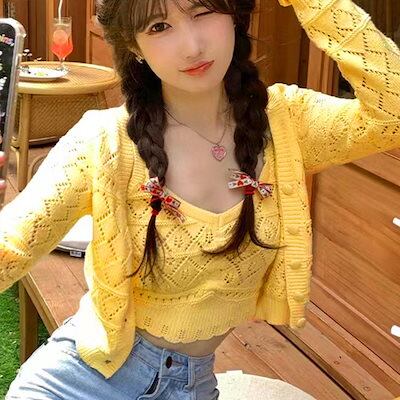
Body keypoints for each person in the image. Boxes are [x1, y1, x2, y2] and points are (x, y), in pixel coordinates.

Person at [2, 0, 400, 398]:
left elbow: (392, 114)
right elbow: (13, 245)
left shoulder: (286, 124)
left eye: (202, 12)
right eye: (159, 27)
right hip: (83, 381)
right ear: (134, 46)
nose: (192, 47)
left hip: (193, 385)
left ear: (234, 15)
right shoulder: (104, 143)